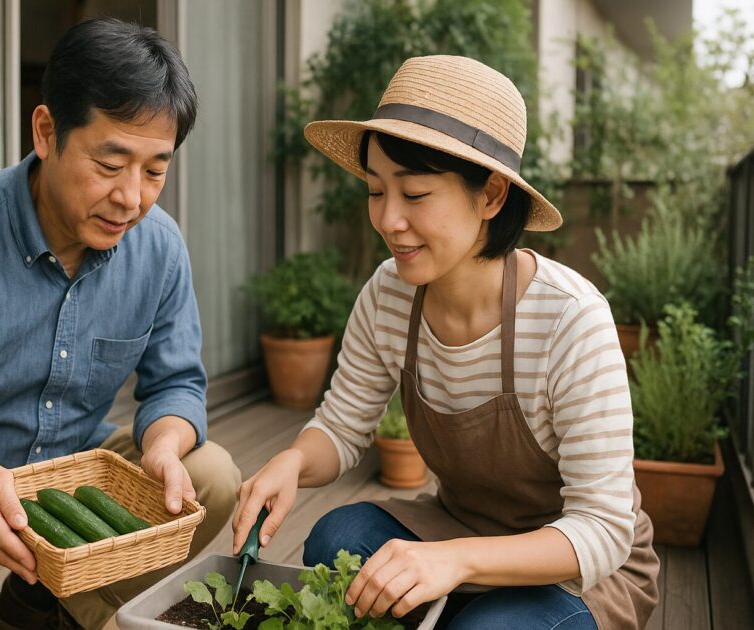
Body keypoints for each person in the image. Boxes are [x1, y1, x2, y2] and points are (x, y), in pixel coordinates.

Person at [232, 55, 659, 630]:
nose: (388, 219)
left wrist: (455, 561)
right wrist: (293, 461)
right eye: (376, 190)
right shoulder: (388, 294)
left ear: (491, 196)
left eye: (414, 194)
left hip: (574, 565)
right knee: (337, 538)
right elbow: (342, 425)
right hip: (457, 528)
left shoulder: (570, 320)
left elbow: (602, 530)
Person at [0, 18, 240, 630]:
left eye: (154, 171)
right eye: (110, 164)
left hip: (81, 472)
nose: (132, 198)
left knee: (211, 476)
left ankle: (47, 602)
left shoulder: (160, 247)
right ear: (46, 132)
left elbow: (176, 385)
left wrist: (165, 447)